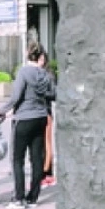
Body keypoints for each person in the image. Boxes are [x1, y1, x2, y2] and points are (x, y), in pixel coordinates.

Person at [0, 42, 55, 209]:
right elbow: (53, 94)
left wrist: (2, 110)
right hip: (41, 118)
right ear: (41, 57)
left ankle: (19, 198)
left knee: (17, 159)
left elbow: (16, 97)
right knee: (37, 159)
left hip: (23, 119)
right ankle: (33, 198)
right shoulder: (46, 75)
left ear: (27, 55)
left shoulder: (23, 72)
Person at [40, 51, 57, 188]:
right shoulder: (33, 74)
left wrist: (41, 93)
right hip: (36, 113)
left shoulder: (48, 75)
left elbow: (54, 94)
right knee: (38, 145)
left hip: (46, 112)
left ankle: (47, 174)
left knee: (46, 144)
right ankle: (43, 173)